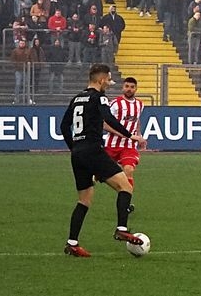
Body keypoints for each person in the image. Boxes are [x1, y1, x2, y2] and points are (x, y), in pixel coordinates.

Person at [61, 63, 146, 257]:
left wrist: (74, 148)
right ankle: (121, 229)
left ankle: (72, 243)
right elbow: (109, 118)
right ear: (100, 80)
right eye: (108, 80)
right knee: (125, 186)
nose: (109, 83)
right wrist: (130, 135)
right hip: (93, 150)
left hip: (78, 153)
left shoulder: (76, 98)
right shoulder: (99, 97)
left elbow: (64, 126)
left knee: (84, 200)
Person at [105, 77, 146, 189]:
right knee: (100, 173)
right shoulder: (114, 104)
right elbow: (104, 124)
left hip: (129, 146)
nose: (129, 89)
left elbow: (137, 120)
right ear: (122, 88)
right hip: (112, 145)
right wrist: (120, 133)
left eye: (132, 87)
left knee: (129, 169)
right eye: (127, 86)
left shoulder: (140, 104)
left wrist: (139, 136)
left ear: (136, 89)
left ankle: (127, 196)